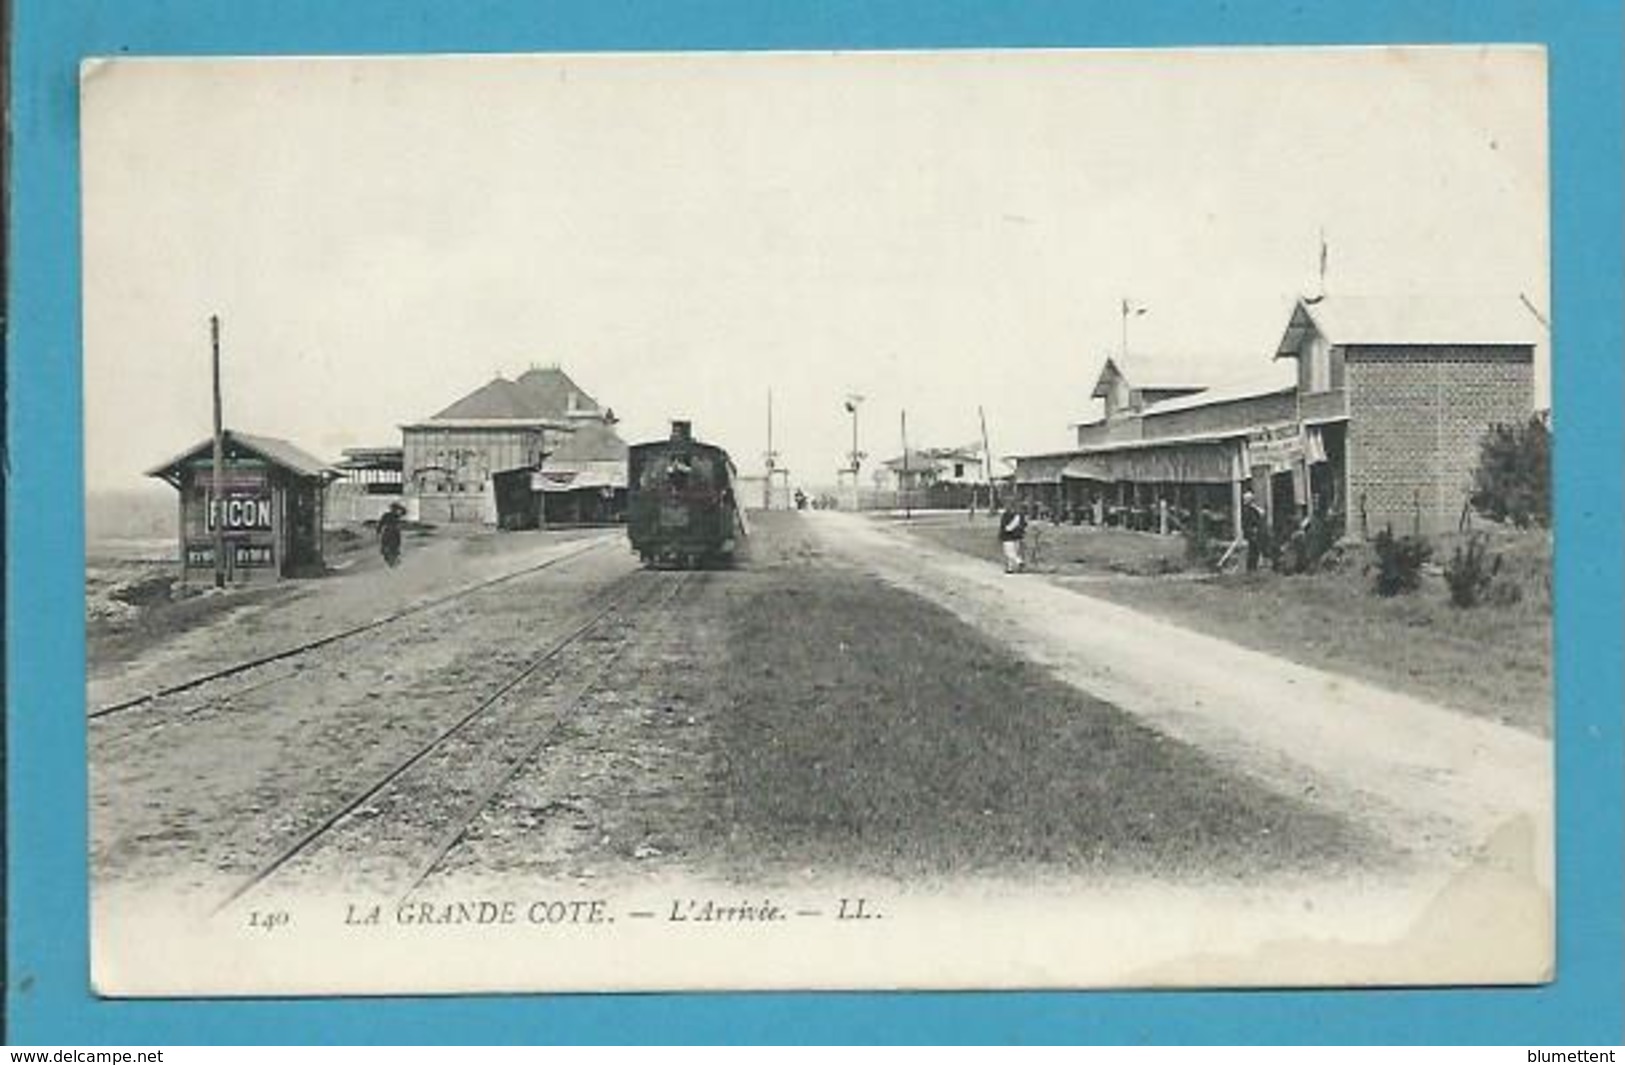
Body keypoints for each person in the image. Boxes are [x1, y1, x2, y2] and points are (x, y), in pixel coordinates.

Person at [1240, 488, 1268, 573]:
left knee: (1255, 550)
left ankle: (1253, 568)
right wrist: (1251, 530)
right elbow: (1247, 522)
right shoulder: (1247, 510)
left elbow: (1261, 514)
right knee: (1253, 551)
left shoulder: (1252, 509)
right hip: (1251, 532)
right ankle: (1251, 568)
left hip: (1255, 531)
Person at [998, 501, 1028, 574]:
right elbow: (1024, 524)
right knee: (1015, 552)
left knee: (1009, 553)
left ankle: (1019, 562)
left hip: (1008, 536)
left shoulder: (1006, 515)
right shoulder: (1020, 515)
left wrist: (1002, 533)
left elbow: (1004, 526)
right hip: (1018, 536)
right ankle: (1009, 568)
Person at [378, 502, 405, 566]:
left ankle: (391, 556)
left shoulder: (392, 515)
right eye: (394, 508)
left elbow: (381, 523)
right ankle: (391, 556)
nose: (394, 510)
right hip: (392, 532)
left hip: (391, 532)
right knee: (391, 545)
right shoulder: (394, 515)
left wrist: (378, 530)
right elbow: (381, 523)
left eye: (395, 508)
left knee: (390, 545)